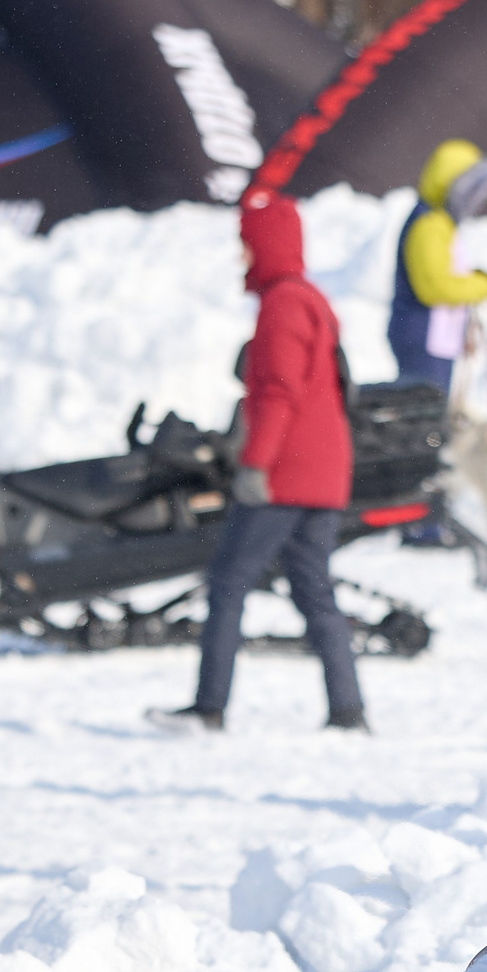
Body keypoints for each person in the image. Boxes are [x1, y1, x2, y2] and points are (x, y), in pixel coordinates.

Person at [156, 195, 363, 733]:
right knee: (314, 589)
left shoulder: (283, 305)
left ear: (267, 244)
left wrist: (255, 465)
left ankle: (208, 708)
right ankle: (348, 710)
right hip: (324, 474)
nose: (243, 256)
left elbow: (277, 393)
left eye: (247, 244)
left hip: (287, 474)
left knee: (227, 582)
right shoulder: (312, 299)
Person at [386, 139, 487, 396]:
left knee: (428, 413)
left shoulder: (439, 223)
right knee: (426, 415)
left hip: (432, 337)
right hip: (423, 337)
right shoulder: (430, 225)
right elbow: (434, 287)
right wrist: (483, 287)